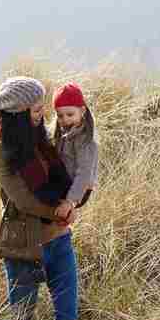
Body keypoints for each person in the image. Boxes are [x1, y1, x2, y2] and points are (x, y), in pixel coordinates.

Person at [0, 77, 78, 320]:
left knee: (67, 316)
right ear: (18, 114)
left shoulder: (44, 141)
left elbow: (65, 180)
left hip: (60, 238)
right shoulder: (0, 152)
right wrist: (61, 212)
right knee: (21, 319)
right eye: (37, 110)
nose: (43, 115)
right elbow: (23, 199)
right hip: (24, 244)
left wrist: (74, 202)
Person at [51, 82, 99, 219]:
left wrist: (70, 201)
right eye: (60, 116)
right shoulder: (64, 132)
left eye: (70, 114)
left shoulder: (84, 140)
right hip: (67, 182)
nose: (65, 120)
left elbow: (84, 172)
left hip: (79, 189)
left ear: (82, 111)